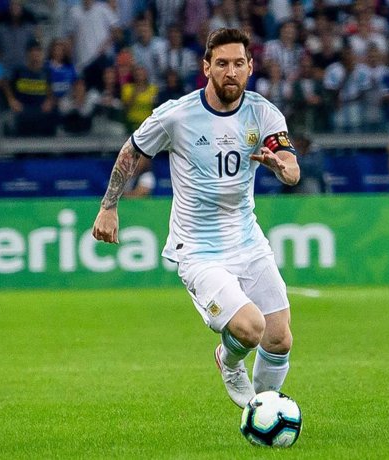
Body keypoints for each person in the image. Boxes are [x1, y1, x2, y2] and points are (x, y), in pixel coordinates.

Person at [92, 28, 300, 409]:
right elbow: (132, 150)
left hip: (248, 241)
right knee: (250, 328)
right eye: (222, 64)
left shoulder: (263, 113)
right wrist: (109, 206)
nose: (231, 72)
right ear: (207, 67)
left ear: (251, 67)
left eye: (239, 63)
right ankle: (229, 360)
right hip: (199, 251)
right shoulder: (177, 115)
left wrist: (281, 168)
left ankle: (267, 413)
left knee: (279, 338)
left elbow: (290, 165)